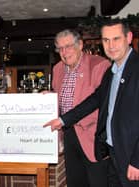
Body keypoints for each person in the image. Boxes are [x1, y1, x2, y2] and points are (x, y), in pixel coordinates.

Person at [44, 19, 139, 187]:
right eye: (106, 40)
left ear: (129, 37)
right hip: (105, 145)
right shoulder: (113, 72)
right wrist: (60, 117)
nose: (111, 45)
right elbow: (94, 99)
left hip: (119, 147)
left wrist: (137, 159)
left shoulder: (106, 66)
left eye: (116, 39)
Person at [51, 29, 110, 187]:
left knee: (98, 182)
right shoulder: (57, 69)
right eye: (60, 48)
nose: (64, 52)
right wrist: (48, 97)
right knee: (75, 182)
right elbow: (59, 98)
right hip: (69, 133)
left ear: (80, 45)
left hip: (93, 136)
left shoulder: (99, 65)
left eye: (68, 46)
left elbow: (97, 99)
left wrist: (65, 119)